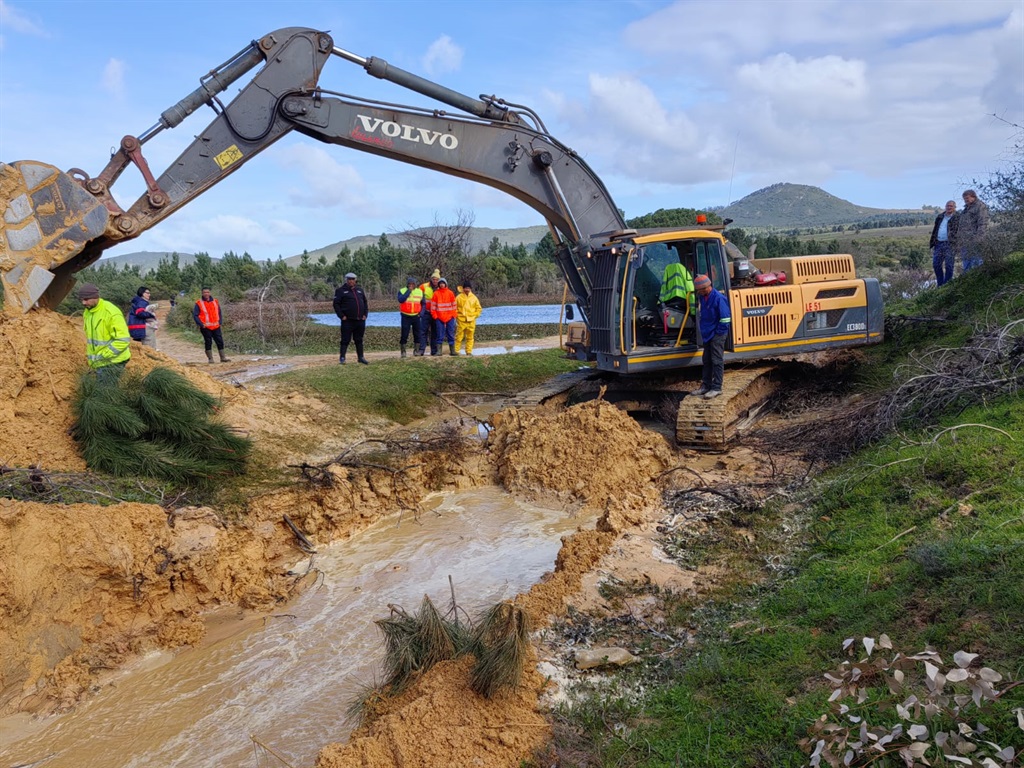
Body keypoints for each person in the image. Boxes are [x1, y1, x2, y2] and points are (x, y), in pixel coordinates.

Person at [78, 282, 131, 382]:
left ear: (95, 297)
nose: (83, 303)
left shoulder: (111, 312)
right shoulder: (88, 312)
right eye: (81, 300)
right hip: (100, 362)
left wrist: (103, 356)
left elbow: (123, 340)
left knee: (105, 392)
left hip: (113, 361)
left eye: (86, 299)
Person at [691, 274, 731, 400]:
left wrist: (718, 333)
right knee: (707, 360)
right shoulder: (703, 297)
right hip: (708, 334)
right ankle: (706, 386)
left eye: (702, 290)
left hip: (717, 334)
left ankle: (717, 388)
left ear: (707, 287)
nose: (701, 292)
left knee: (717, 360)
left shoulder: (719, 298)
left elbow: (725, 318)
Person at [333, 272, 369, 365]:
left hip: (360, 320)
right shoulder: (340, 291)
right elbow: (336, 304)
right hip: (347, 321)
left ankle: (361, 357)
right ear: (346, 280)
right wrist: (341, 316)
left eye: (352, 279)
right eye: (349, 279)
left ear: (355, 280)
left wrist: (365, 314)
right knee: (345, 340)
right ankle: (342, 357)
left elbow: (365, 303)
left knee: (359, 339)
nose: (351, 281)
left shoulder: (360, 290)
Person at [193, 287, 231, 363]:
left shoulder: (215, 301)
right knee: (208, 342)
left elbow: (219, 312)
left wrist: (220, 322)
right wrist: (201, 324)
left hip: (216, 326)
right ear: (202, 293)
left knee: (220, 341)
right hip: (205, 327)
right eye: (205, 292)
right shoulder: (199, 303)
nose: (206, 294)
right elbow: (195, 315)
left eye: (208, 292)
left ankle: (223, 358)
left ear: (210, 293)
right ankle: (210, 359)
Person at [958, 189, 989, 272]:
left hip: (975, 240)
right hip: (965, 240)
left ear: (973, 197)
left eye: (967, 198)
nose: (965, 200)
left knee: (976, 263)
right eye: (964, 198)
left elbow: (982, 223)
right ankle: (968, 282)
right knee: (966, 264)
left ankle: (977, 281)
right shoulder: (966, 209)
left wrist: (979, 239)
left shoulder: (980, 206)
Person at [929, 201, 959, 286]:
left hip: (950, 244)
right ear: (945, 207)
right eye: (947, 206)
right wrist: (933, 242)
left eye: (951, 206)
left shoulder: (957, 217)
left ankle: (947, 285)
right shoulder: (940, 217)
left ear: (954, 207)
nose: (949, 207)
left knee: (949, 265)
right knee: (936, 264)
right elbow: (935, 229)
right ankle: (940, 284)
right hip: (938, 243)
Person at [429, 277, 457, 356]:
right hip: (439, 317)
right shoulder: (436, 294)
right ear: (439, 284)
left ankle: (452, 351)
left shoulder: (450, 293)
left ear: (445, 284)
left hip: (450, 317)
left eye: (443, 283)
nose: (442, 285)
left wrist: (453, 315)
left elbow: (454, 305)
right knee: (439, 334)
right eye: (440, 283)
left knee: (450, 334)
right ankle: (439, 351)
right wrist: (435, 316)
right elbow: (433, 306)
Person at [396, 276, 424, 358]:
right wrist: (408, 291)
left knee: (417, 334)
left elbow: (423, 303)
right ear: (407, 284)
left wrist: (421, 313)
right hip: (405, 316)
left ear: (415, 284)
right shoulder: (402, 291)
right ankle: (403, 352)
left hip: (416, 316)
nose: (411, 285)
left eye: (413, 284)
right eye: (409, 284)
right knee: (404, 334)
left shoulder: (420, 291)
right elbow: (401, 300)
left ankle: (416, 350)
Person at [417, 269, 441, 356]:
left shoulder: (441, 287)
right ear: (431, 279)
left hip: (435, 313)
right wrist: (419, 310)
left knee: (434, 332)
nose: (435, 281)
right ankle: (421, 350)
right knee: (423, 331)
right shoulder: (424, 286)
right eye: (434, 279)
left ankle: (434, 351)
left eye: (437, 279)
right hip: (426, 312)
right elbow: (417, 297)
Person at [455, 280, 483, 355]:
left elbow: (479, 309)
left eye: (468, 288)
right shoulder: (458, 297)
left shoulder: (474, 298)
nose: (467, 289)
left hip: (471, 320)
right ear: (463, 288)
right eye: (465, 288)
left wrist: (475, 315)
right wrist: (457, 316)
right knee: (459, 337)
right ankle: (456, 351)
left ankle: (469, 351)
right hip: (461, 320)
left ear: (470, 288)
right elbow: (454, 308)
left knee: (470, 337)